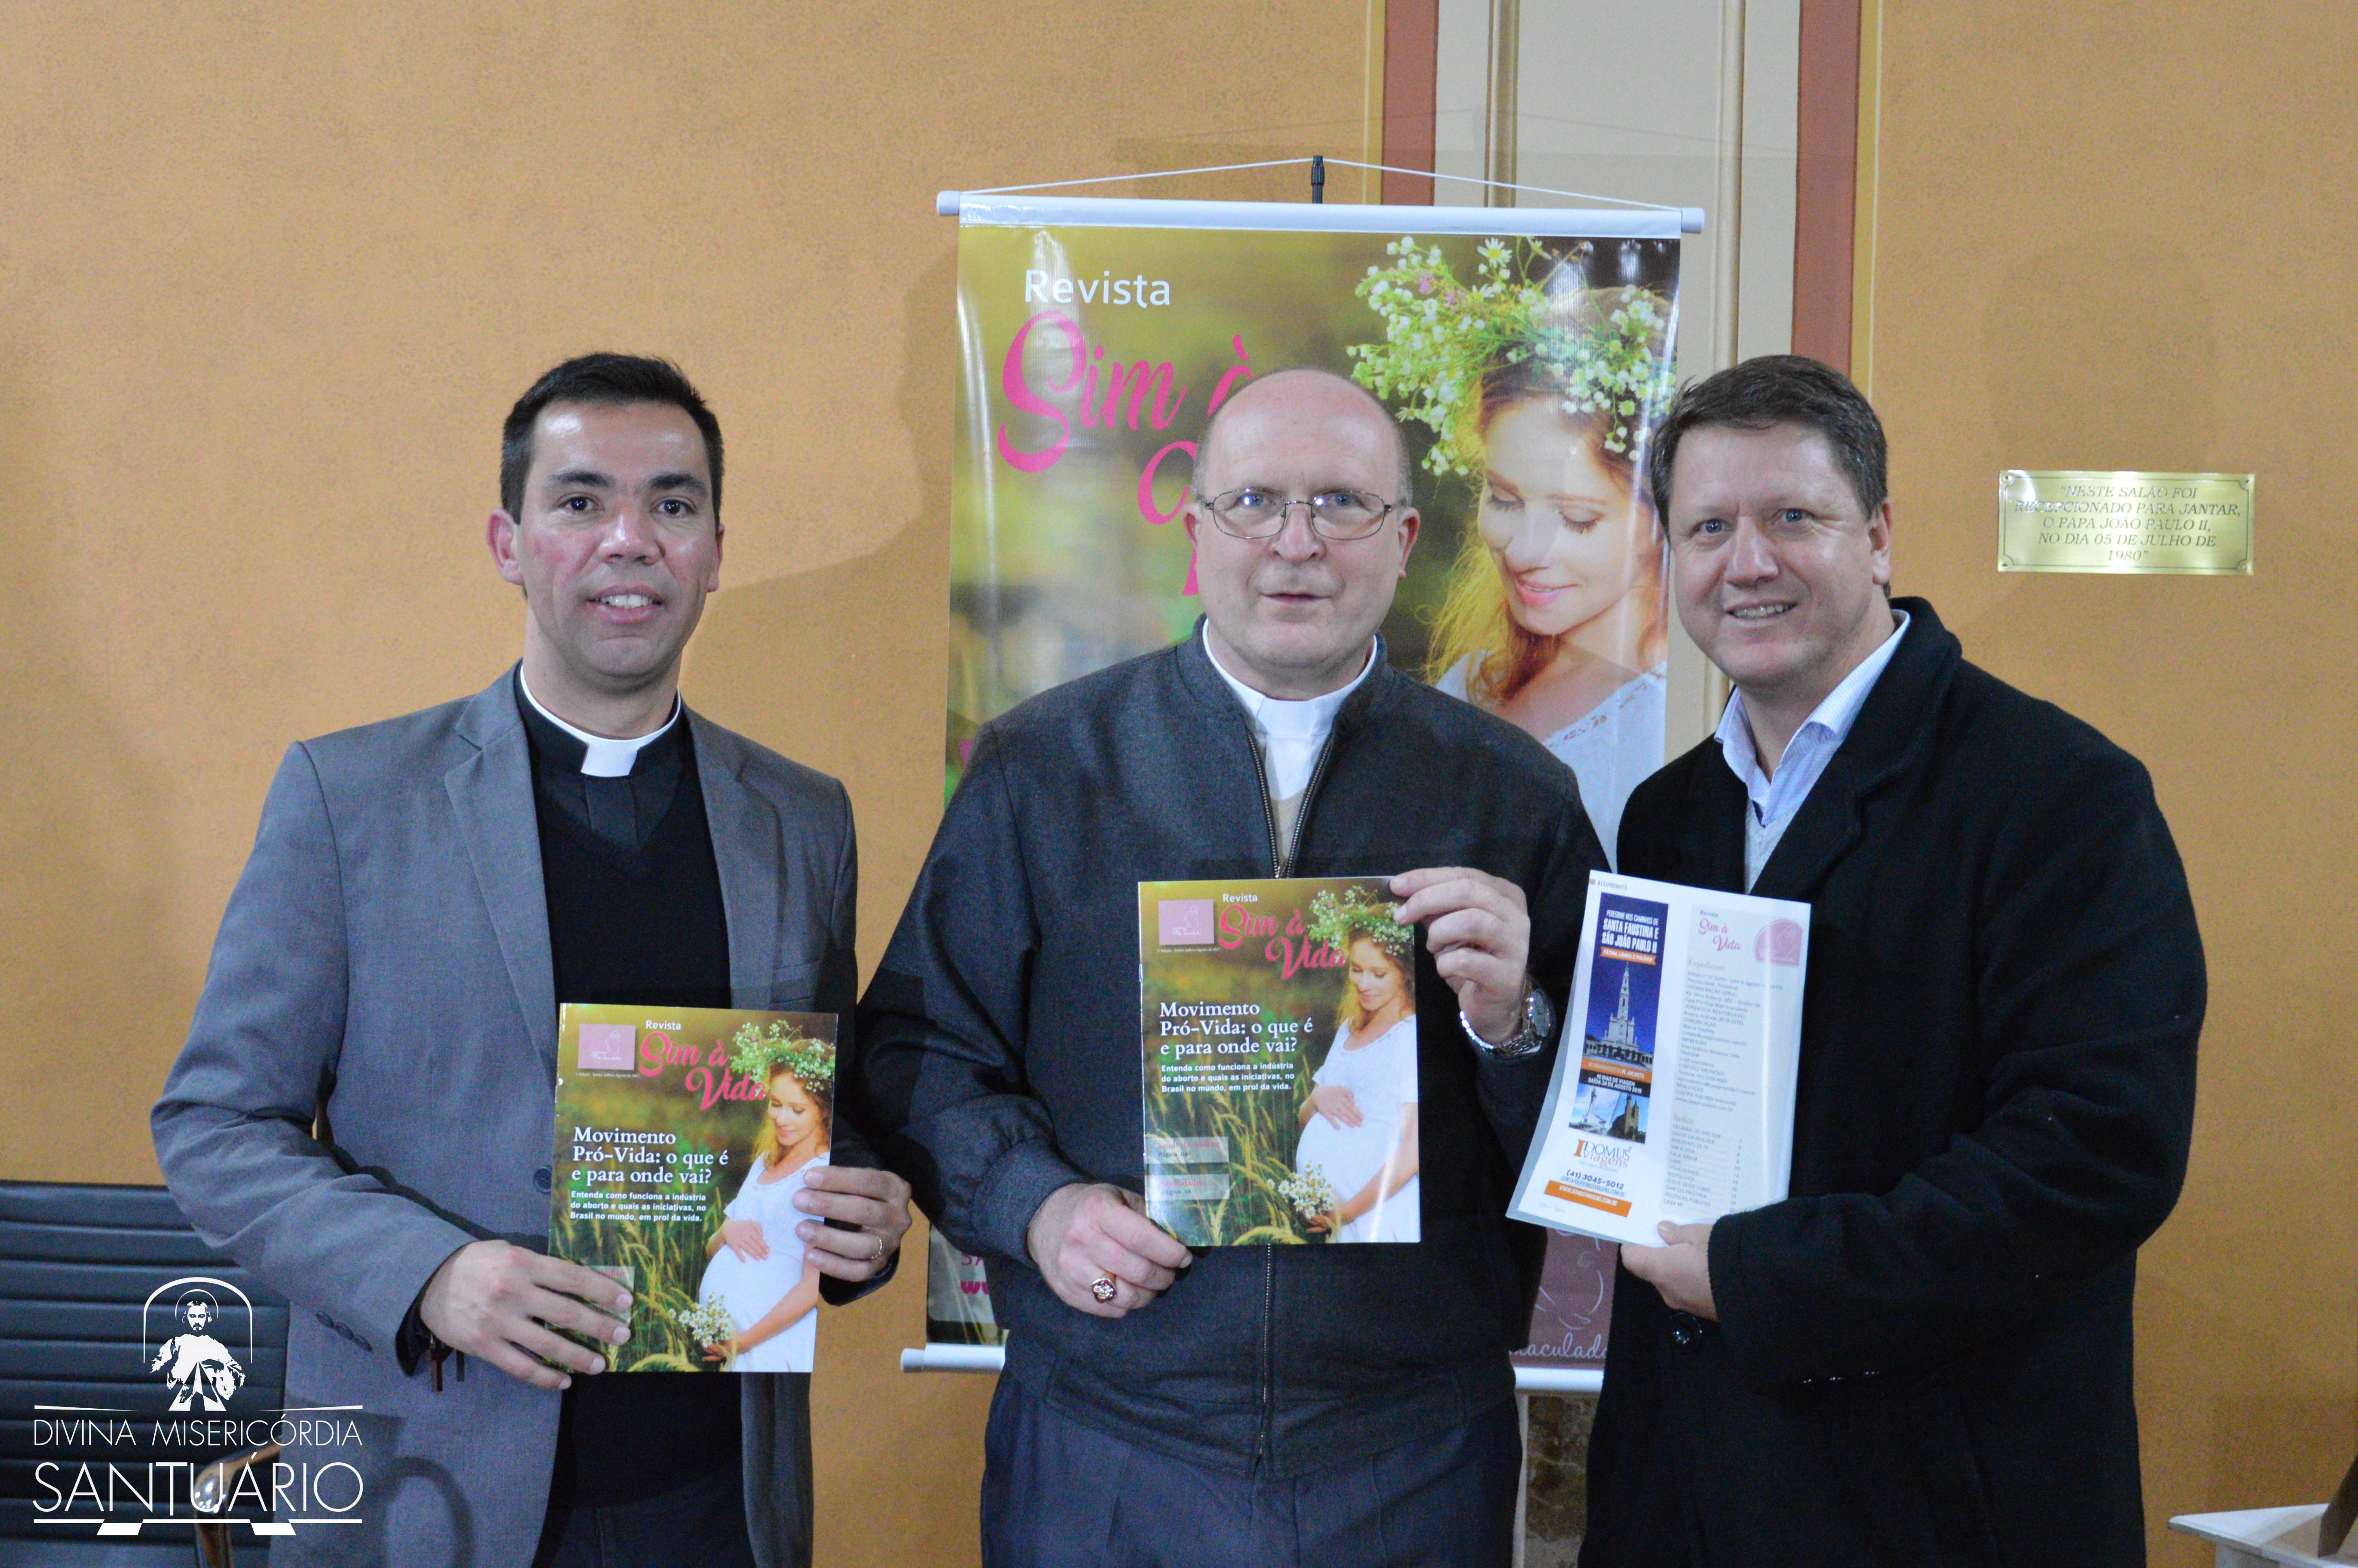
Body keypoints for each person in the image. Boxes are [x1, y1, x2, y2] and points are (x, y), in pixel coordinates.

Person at [152, 353, 914, 1568]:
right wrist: (430, 1273)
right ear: (508, 542)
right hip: (430, 1485)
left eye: (672, 503)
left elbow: (818, 1109)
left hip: (718, 1501)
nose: (629, 538)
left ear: (715, 549)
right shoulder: (351, 799)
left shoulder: (801, 816)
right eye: (580, 500)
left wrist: (861, 1212)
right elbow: (214, 1124)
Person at [854, 368, 1604, 1567]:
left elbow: (1605, 1138)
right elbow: (917, 1049)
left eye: (1342, 503)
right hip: (1106, 1424)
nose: (1295, 542)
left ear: (1404, 537)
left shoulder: (1513, 796)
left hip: (1409, 1441)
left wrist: (1516, 1022)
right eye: (1254, 501)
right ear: (1195, 528)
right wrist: (1035, 1205)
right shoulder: (1044, 768)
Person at [1583, 356, 2202, 1567]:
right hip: (1687, 1490)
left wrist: (1761, 1275)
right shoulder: (1666, 816)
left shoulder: (2060, 794)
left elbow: (2097, 1152)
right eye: (1707, 527)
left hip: (1936, 1496)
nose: (1746, 562)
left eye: (1791, 517)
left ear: (1875, 537)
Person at [1424, 286, 1675, 864]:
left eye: (1577, 519)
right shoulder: (1470, 683)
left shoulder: (1683, 718)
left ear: (1665, 514)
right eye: (1503, 498)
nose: (1522, 551)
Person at [699, 1040, 835, 1373]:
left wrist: (743, 1342)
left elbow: (812, 1289)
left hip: (775, 1345)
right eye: (776, 1104)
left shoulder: (825, 1173)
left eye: (797, 1109)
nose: (782, 1118)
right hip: (739, 1349)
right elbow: (713, 1251)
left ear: (824, 1110)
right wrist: (727, 1230)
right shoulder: (765, 1163)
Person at [1294, 900, 1420, 1245]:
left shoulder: (1410, 1036)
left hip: (1381, 1213)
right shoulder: (1350, 1029)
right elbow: (1305, 1118)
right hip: (1341, 1217)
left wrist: (1347, 1211)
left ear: (1405, 973)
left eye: (1378, 974)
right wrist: (1317, 1097)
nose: (1363, 984)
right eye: (1356, 969)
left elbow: (1412, 1153)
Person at [151, 1290, 245, 1412]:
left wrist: (221, 1367)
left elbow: (240, 1377)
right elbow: (153, 1372)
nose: (197, 1321)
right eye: (192, 1316)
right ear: (185, 1318)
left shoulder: (217, 1347)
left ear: (207, 1318)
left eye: (201, 1316)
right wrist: (171, 1367)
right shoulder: (174, 1343)